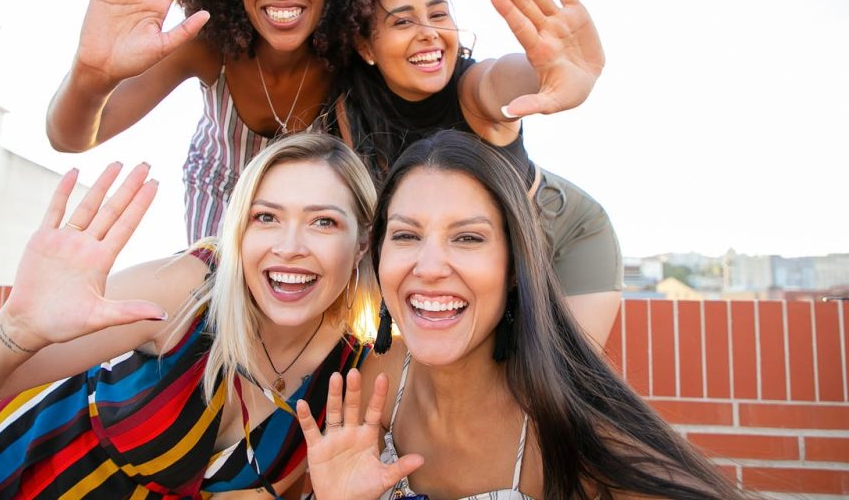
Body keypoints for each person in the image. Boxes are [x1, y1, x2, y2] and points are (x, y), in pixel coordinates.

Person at [296, 130, 753, 500]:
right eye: (406, 235)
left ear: (515, 267)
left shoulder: (577, 437)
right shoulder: (367, 385)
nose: (430, 267)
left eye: (468, 239)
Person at [0, 133, 379, 498]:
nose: (290, 246)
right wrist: (16, 327)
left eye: (324, 222)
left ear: (361, 242)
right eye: (266, 218)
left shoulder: (346, 373)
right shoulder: (186, 291)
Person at [45, 0, 411, 245]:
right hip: (220, 201)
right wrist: (91, 74)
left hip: (310, 208)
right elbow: (71, 137)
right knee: (216, 298)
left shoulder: (347, 58)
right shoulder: (206, 46)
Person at [329, 0, 621, 344]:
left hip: (562, 236)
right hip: (473, 256)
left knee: (554, 391)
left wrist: (544, 73)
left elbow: (501, 80)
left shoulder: (472, 88)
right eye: (402, 21)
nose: (429, 32)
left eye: (438, 15)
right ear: (366, 44)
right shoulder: (353, 107)